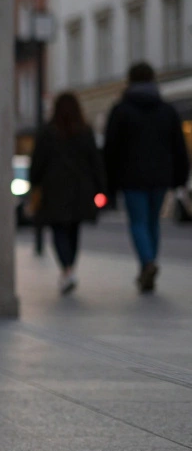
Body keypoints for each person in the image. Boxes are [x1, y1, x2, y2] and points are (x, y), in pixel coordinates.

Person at [103, 62, 191, 293]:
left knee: (139, 222)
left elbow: (111, 149)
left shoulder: (121, 110)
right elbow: (178, 147)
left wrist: (109, 181)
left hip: (131, 177)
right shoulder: (166, 110)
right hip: (160, 176)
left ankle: (147, 262)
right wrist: (180, 176)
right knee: (153, 222)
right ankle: (149, 262)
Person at [29, 92, 105, 295]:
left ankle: (67, 269)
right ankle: (69, 268)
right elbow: (95, 162)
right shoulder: (85, 131)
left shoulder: (48, 132)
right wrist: (101, 189)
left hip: (55, 190)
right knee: (73, 231)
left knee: (59, 231)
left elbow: (37, 163)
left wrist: (34, 182)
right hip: (80, 190)